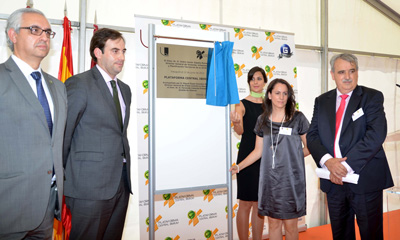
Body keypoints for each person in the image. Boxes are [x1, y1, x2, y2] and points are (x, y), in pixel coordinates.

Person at [307, 53, 394, 240]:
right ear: (332, 74)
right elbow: (312, 136)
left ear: (357, 72)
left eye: (352, 71)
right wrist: (328, 162)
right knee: (341, 234)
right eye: (341, 72)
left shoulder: (371, 97)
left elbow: (376, 135)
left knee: (371, 234)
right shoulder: (321, 101)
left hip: (365, 178)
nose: (347, 76)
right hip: (333, 181)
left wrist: (344, 167)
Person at [0, 8, 67, 239]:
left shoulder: (58, 87)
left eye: (48, 32)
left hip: (47, 208)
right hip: (8, 208)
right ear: (13, 35)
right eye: (35, 30)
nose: (44, 37)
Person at [63, 28, 132, 239]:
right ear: (98, 53)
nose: (121, 57)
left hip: (120, 184)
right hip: (88, 188)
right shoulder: (79, 84)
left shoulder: (125, 89)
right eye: (115, 51)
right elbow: (64, 136)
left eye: (123, 51)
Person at [231, 79, 309, 240]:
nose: (281, 97)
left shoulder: (298, 118)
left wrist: (292, 157)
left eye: (285, 93)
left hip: (291, 181)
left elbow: (310, 147)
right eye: (277, 93)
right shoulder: (262, 120)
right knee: (273, 224)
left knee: (290, 226)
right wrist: (239, 166)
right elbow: (258, 151)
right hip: (270, 181)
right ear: (269, 95)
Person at [230, 66, 267, 239]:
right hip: (247, 155)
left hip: (266, 158)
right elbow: (240, 131)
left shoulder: (272, 104)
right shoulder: (241, 103)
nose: (255, 82)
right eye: (252, 79)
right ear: (248, 82)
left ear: (265, 81)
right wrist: (236, 122)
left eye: (259, 78)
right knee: (245, 203)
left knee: (259, 204)